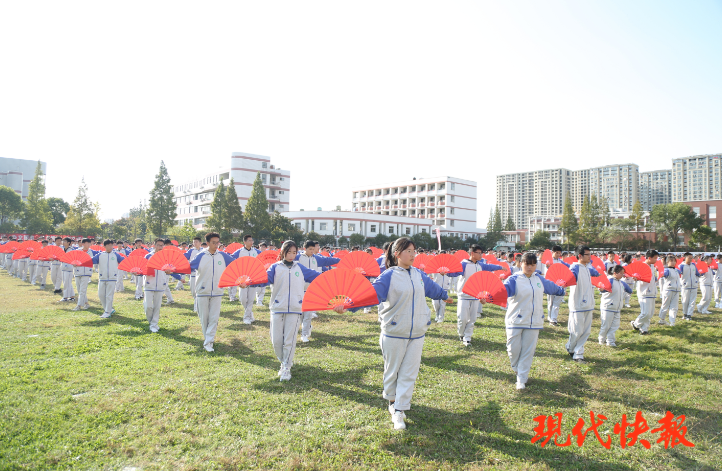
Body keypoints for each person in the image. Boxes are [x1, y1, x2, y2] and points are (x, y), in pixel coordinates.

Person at [359, 237, 452, 430]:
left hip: (417, 332)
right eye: (408, 251)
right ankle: (392, 401)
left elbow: (432, 288)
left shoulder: (418, 274)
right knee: (393, 372)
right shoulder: (388, 276)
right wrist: (350, 306)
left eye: (414, 251)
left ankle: (400, 410)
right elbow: (371, 295)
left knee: (409, 373)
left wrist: (445, 296)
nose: (413, 255)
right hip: (394, 331)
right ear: (397, 254)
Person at [497, 252, 564, 390]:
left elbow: (552, 287)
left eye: (533, 264)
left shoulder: (539, 279)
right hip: (515, 320)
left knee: (528, 351)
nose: (530, 267)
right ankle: (517, 368)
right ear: (521, 263)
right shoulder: (514, 279)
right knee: (512, 349)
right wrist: (489, 297)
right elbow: (501, 292)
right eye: (527, 264)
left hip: (534, 321)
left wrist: (561, 290)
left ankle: (521, 378)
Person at [266, 240, 323, 381]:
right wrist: (245, 283)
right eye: (288, 252)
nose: (291, 255)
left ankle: (286, 367)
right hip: (277, 308)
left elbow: (317, 276)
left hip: (295, 308)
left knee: (289, 341)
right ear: (282, 252)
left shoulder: (300, 268)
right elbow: (263, 280)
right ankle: (284, 361)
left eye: (294, 253)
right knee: (276, 341)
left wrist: (335, 275)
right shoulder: (275, 268)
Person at [190, 232, 236, 352]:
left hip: (217, 291)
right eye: (214, 243)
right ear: (208, 243)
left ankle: (208, 342)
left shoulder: (223, 256)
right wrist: (172, 271)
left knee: (214, 318)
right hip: (202, 291)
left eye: (218, 242)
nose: (216, 245)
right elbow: (188, 267)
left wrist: (240, 280)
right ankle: (208, 340)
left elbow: (235, 266)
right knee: (204, 319)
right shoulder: (200, 256)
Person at [456, 245, 501, 346]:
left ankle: (467, 338)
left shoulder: (480, 265)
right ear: (472, 253)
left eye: (481, 253)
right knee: (462, 318)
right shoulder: (464, 264)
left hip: (475, 296)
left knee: (472, 319)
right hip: (464, 296)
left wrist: (501, 267)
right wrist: (445, 273)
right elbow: (455, 272)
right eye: (479, 253)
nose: (481, 255)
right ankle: (461, 333)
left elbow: (490, 267)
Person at [296, 240, 340, 342]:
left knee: (308, 314)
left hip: (312, 290)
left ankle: (304, 334)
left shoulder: (317, 258)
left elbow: (329, 260)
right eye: (310, 249)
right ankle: (307, 327)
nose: (312, 251)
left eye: (313, 249)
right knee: (300, 313)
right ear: (304, 249)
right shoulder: (298, 258)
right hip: (299, 289)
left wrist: (341, 260)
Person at [565, 246, 600, 363]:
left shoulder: (586, 267)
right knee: (577, 331)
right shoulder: (575, 267)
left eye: (590, 254)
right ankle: (571, 347)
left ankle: (578, 353)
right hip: (578, 304)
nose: (590, 257)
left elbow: (595, 273)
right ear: (580, 256)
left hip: (589, 304)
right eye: (588, 254)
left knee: (586, 331)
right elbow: (570, 278)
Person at [598, 265, 633, 347]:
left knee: (614, 326)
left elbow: (630, 290)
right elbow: (602, 290)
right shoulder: (610, 280)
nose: (623, 275)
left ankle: (610, 341)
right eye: (621, 273)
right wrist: (601, 289)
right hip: (608, 307)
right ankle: (601, 340)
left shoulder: (621, 282)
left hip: (617, 308)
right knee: (606, 325)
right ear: (615, 273)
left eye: (623, 273)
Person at [143, 239, 171, 333]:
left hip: (160, 283)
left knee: (157, 306)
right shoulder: (148, 256)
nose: (160, 247)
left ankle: (154, 324)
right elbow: (142, 269)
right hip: (149, 284)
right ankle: (151, 321)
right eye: (158, 245)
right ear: (154, 245)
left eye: (161, 245)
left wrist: (170, 272)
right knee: (148, 306)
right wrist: (136, 273)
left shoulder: (166, 257)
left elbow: (170, 269)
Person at [92, 239, 125, 318]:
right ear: (104, 246)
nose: (111, 247)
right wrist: (79, 264)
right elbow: (91, 261)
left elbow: (124, 262)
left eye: (112, 245)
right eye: (108, 245)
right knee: (101, 295)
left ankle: (107, 312)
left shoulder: (116, 255)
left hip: (112, 278)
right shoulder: (100, 255)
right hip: (102, 277)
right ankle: (109, 309)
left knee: (109, 295)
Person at [629, 250, 659, 335]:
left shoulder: (652, 266)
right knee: (645, 312)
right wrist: (636, 277)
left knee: (650, 313)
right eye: (655, 258)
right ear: (649, 258)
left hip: (652, 291)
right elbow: (635, 276)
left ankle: (644, 329)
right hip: (644, 292)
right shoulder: (641, 266)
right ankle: (636, 324)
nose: (656, 260)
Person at [233, 235, 260, 324]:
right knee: (243, 298)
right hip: (242, 278)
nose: (251, 242)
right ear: (244, 242)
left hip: (253, 278)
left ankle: (246, 317)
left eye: (252, 240)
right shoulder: (239, 252)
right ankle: (250, 314)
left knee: (251, 298)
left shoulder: (256, 252)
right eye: (249, 240)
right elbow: (232, 260)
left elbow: (262, 260)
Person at [546, 245, 570, 327]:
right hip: (550, 284)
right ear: (552, 252)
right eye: (557, 253)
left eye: (559, 253)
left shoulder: (560, 262)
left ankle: (553, 319)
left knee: (556, 303)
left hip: (559, 285)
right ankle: (550, 317)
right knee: (550, 302)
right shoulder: (548, 261)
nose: (558, 254)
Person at [72, 239, 95, 311]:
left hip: (86, 272)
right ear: (83, 244)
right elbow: (73, 260)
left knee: (82, 289)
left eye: (89, 243)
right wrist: (74, 264)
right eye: (87, 243)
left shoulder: (92, 251)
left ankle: (79, 305)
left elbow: (92, 261)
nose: (89, 245)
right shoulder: (77, 251)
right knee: (79, 290)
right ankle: (86, 303)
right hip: (78, 271)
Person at [659, 255, 681, 326]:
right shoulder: (667, 270)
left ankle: (672, 322)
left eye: (674, 261)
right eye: (671, 261)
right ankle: (662, 319)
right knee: (665, 305)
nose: (673, 262)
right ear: (667, 262)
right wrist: (662, 274)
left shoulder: (676, 270)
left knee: (674, 307)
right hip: (668, 290)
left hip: (676, 290)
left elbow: (681, 272)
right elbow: (663, 274)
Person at [678, 252, 700, 320]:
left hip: (694, 285)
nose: (691, 259)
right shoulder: (681, 266)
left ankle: (689, 315)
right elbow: (678, 274)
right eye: (689, 258)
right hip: (685, 286)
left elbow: (697, 273)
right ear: (685, 257)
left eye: (691, 258)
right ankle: (685, 314)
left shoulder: (693, 265)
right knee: (685, 301)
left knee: (692, 301)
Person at [58, 237, 76, 303]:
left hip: (69, 268)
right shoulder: (62, 249)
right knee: (68, 283)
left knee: (66, 283)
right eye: (63, 241)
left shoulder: (71, 250)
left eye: (64, 241)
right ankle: (72, 296)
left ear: (69, 242)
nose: (63, 242)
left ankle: (65, 297)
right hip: (63, 267)